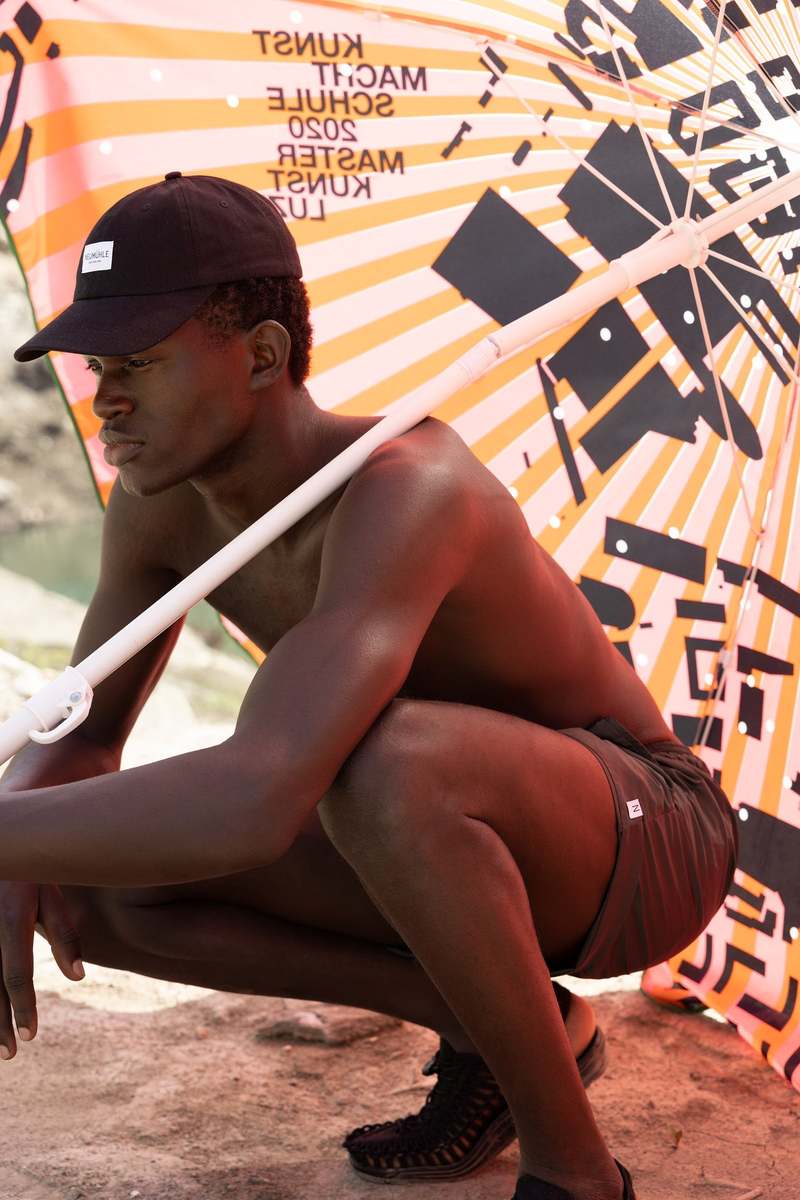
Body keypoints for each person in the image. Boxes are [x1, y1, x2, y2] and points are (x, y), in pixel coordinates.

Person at [2, 172, 737, 1200]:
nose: (105, 398)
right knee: (85, 881)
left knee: (382, 762)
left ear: (263, 355)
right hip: (422, 827)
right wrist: (20, 836)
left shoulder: (407, 486)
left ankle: (574, 1172)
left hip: (642, 839)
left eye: (139, 363)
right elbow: (84, 732)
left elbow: (256, 797)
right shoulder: (158, 502)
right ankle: (510, 1034)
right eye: (96, 367)